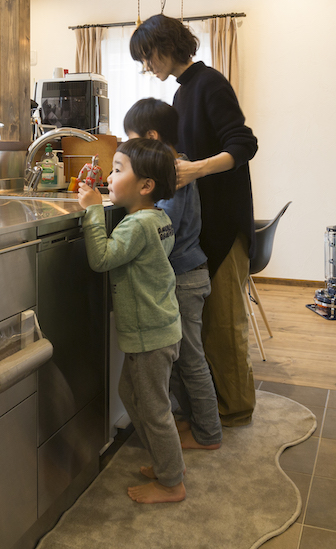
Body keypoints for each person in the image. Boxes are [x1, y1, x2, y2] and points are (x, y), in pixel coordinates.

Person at [129, 14, 259, 427]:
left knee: (225, 325)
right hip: (206, 227)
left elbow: (244, 143)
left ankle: (236, 410)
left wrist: (197, 169)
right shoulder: (183, 92)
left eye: (147, 56)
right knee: (208, 329)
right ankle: (215, 406)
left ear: (166, 46)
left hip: (226, 222)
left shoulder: (209, 84)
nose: (147, 66)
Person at [78, 137, 186, 504]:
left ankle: (172, 482)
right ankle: (166, 463)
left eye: (117, 170)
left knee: (154, 410)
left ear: (145, 186)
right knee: (131, 395)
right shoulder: (158, 218)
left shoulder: (136, 226)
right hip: (160, 328)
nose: (109, 177)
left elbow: (102, 259)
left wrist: (94, 210)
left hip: (150, 336)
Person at [123, 98, 222, 451]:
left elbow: (166, 226)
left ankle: (208, 433)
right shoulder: (176, 167)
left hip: (185, 277)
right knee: (182, 359)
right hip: (186, 274)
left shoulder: (174, 173)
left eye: (133, 141)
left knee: (191, 359)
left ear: (151, 137)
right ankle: (192, 420)